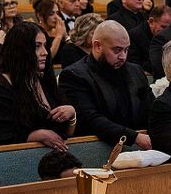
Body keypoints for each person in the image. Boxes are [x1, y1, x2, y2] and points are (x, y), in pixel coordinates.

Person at [0, 21, 76, 149]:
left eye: (45, 46)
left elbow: (64, 134)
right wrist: (35, 136)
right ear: (20, 50)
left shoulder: (43, 80)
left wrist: (72, 114)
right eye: (37, 46)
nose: (45, 52)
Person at [59, 21, 153, 149]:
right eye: (117, 50)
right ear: (97, 46)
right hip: (96, 148)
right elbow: (91, 119)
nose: (123, 57)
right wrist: (134, 137)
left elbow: (151, 109)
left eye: (126, 50)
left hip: (140, 146)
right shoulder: (74, 75)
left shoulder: (135, 71)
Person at [129, 4, 171, 70]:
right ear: (151, 21)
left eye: (170, 28)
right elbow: (135, 64)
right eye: (163, 27)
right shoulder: (134, 36)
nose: (167, 31)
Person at [33, 0, 67, 65]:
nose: (57, 17)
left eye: (57, 13)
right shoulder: (36, 33)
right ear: (40, 16)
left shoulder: (58, 30)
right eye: (51, 14)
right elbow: (47, 58)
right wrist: (59, 36)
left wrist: (65, 35)